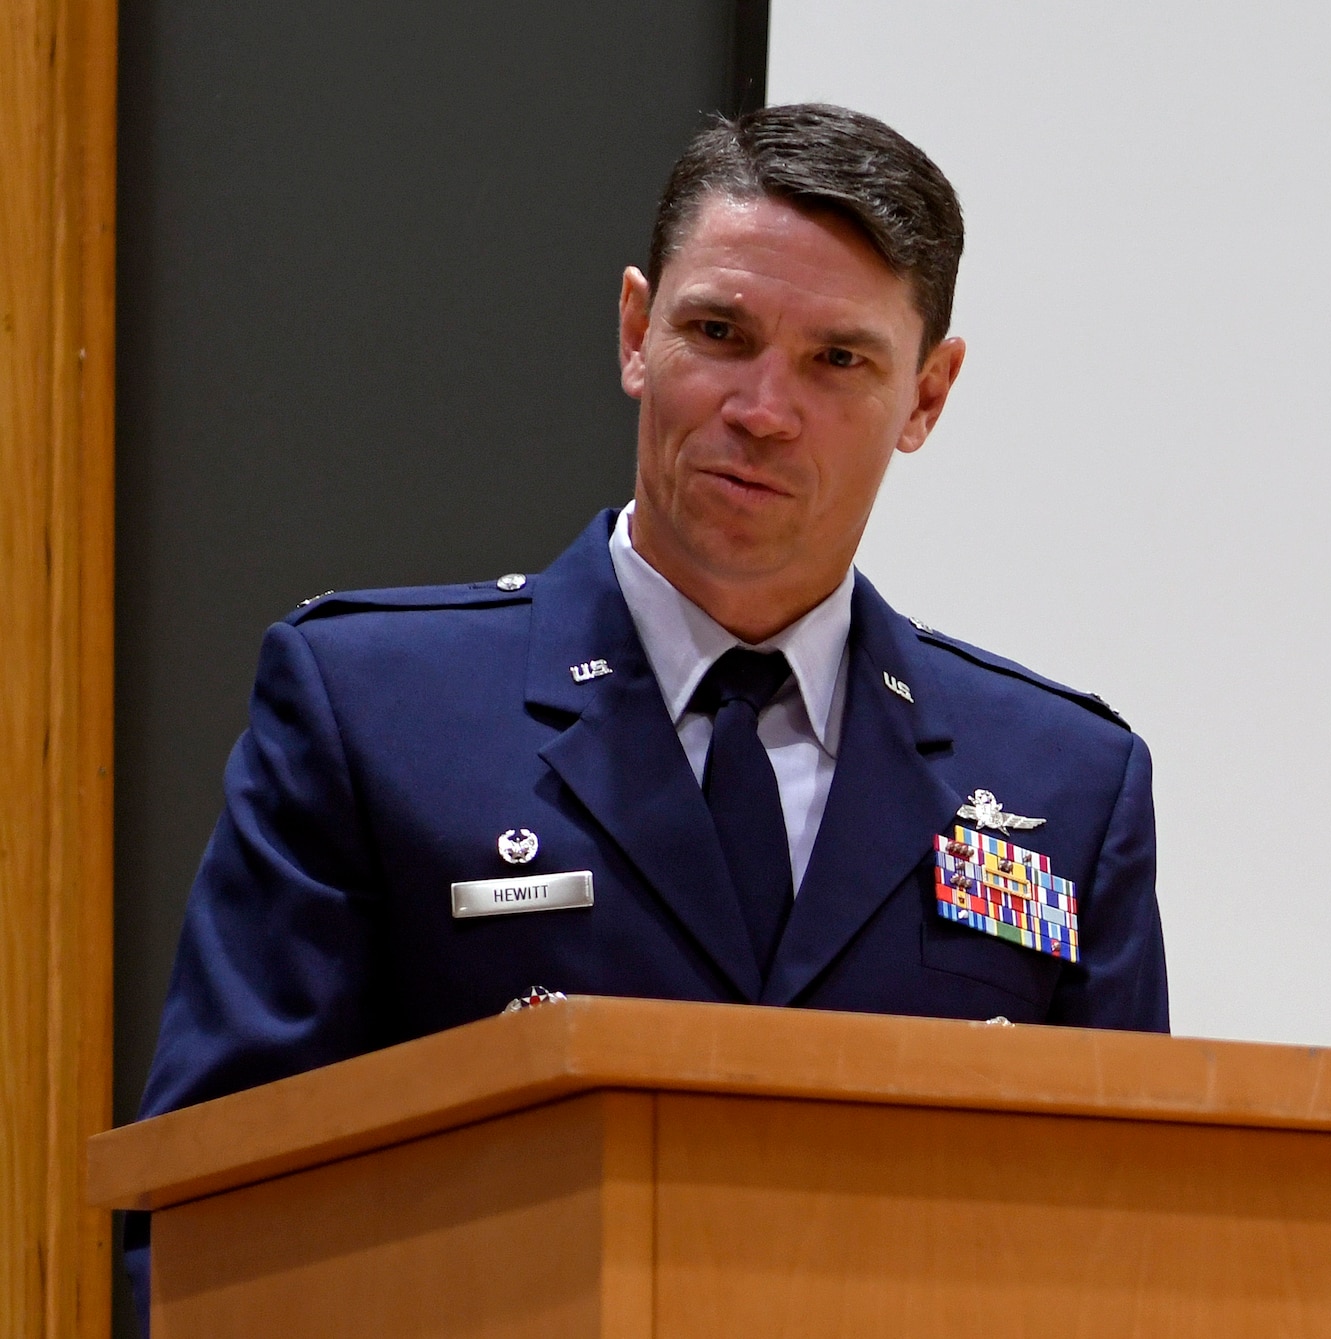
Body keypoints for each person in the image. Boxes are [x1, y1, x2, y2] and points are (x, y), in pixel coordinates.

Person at [125, 104, 1168, 1314]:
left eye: (839, 359)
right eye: (719, 332)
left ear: (928, 395)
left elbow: (1118, 1245)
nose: (763, 408)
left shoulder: (1062, 783)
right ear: (635, 331)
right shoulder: (374, 711)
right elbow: (208, 1214)